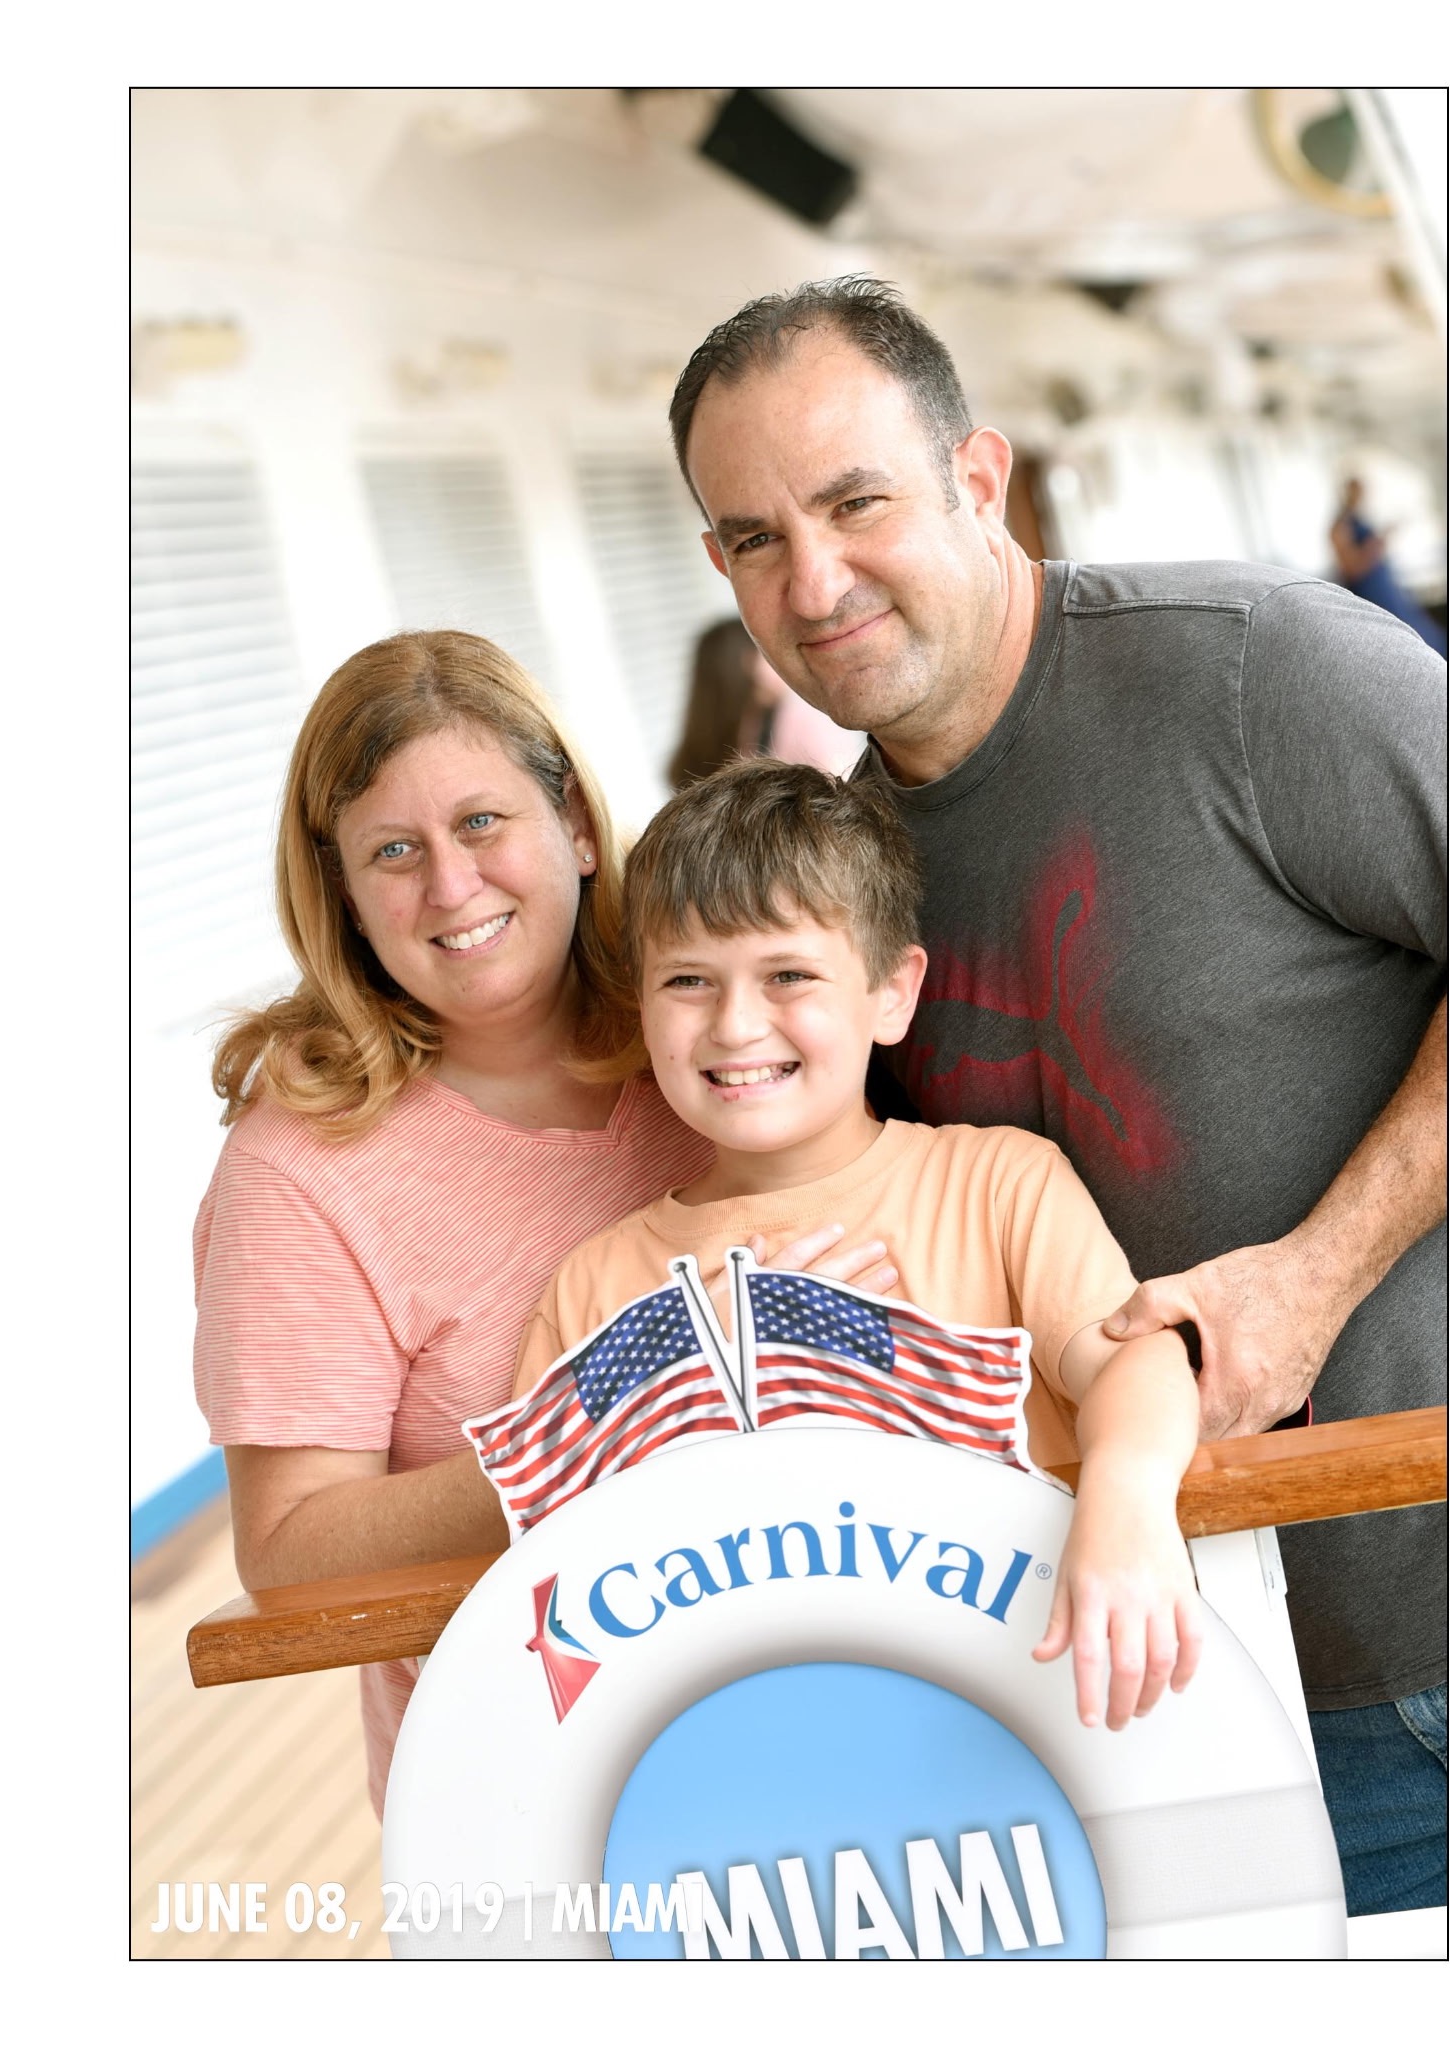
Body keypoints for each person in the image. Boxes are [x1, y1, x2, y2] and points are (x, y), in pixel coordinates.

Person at [665, 277, 1447, 1916]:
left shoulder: (1256, 672)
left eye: (855, 503)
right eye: (751, 537)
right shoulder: (842, 870)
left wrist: (1314, 1275)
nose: (811, 581)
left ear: (978, 477)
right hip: (1140, 1694)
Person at [192, 630, 893, 1815]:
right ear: (345, 894)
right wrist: (614, 1419)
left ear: (573, 822)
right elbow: (289, 1546)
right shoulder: (297, 1170)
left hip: (857, 1707)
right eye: (393, 850)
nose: (450, 886)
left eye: (481, 822)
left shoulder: (716, 1030)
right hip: (545, 1798)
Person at [501, 760, 1205, 1734]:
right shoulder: (593, 1288)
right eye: (687, 980)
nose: (735, 1024)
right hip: (752, 1747)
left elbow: (1136, 1356)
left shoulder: (998, 1184)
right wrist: (695, 1384)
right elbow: (553, 1581)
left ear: (892, 993)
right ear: (640, 1005)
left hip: (1032, 1720)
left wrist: (1128, 1496)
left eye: (788, 975)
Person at [669, 615, 862, 789]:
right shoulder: (794, 718)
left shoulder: (701, 745)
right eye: (763, 651)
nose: (779, 658)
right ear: (746, 663)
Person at [1329, 476, 1448, 657]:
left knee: (1428, 633)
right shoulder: (1340, 526)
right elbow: (1352, 568)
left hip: (1386, 588)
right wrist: (1380, 540)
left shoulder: (1360, 520)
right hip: (1372, 593)